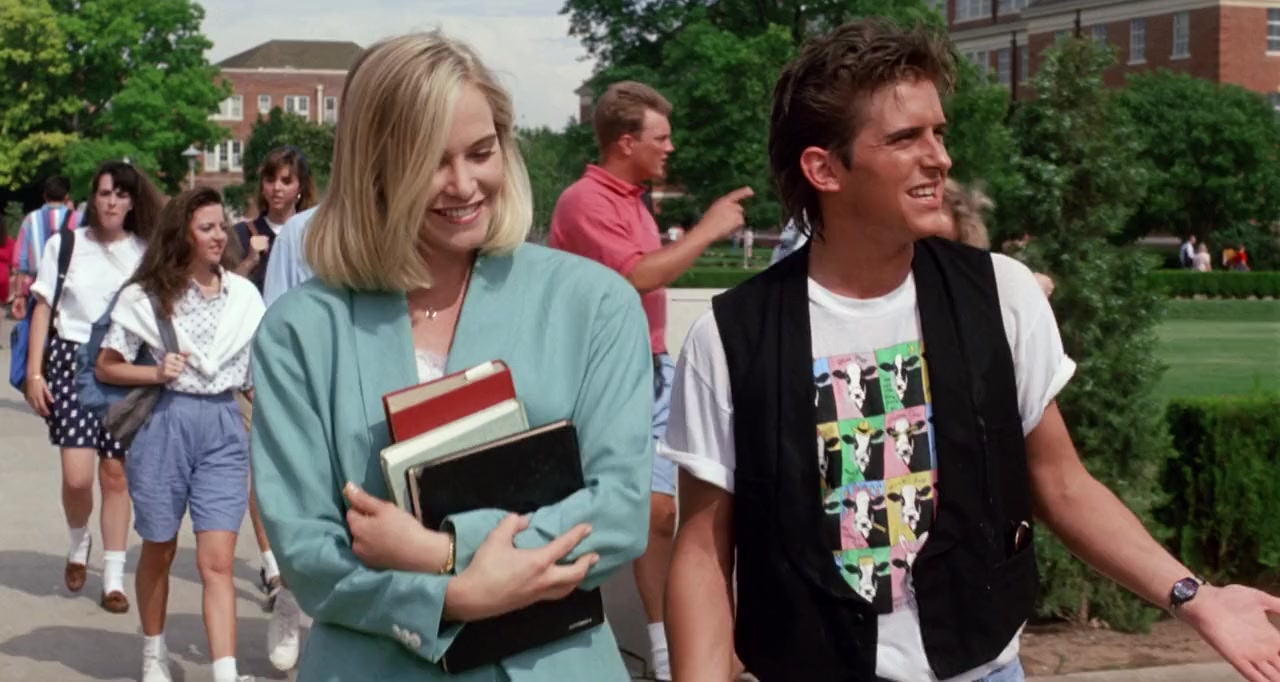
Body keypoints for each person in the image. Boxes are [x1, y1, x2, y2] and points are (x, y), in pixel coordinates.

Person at [662, 19, 1280, 682]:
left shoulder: (1000, 295)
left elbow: (1062, 484)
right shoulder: (732, 336)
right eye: (906, 138)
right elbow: (702, 552)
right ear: (824, 168)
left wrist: (1195, 597)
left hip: (982, 668)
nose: (940, 158)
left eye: (939, 133)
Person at [249, 32, 654, 681]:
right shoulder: (299, 331)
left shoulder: (594, 304)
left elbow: (620, 511)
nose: (464, 184)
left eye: (481, 152)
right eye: (431, 162)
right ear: (375, 168)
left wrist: (443, 552)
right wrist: (454, 598)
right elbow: (306, 552)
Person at [546, 80, 751, 681]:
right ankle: (662, 655)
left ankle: (681, 654)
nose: (671, 147)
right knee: (649, 512)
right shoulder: (584, 201)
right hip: (608, 377)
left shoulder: (634, 201)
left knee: (667, 512)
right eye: (661, 137)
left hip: (653, 368)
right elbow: (636, 276)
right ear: (626, 141)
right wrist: (709, 228)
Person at [96, 186, 264, 682]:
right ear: (181, 234)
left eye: (221, 226)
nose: (219, 236)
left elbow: (256, 374)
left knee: (218, 561)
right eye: (206, 227)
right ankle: (154, 653)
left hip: (224, 426)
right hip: (164, 425)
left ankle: (226, 673)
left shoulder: (243, 297)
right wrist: (154, 371)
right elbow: (107, 366)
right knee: (160, 546)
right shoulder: (147, 297)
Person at [24, 161, 160, 614]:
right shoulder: (66, 245)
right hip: (70, 361)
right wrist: (35, 374)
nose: (112, 203)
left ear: (132, 202)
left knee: (115, 473)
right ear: (91, 198)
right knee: (77, 476)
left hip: (123, 363)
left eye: (122, 194)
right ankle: (78, 538)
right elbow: (43, 309)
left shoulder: (144, 251)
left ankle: (114, 578)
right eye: (105, 193)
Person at [227, 144, 319, 672]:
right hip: (262, 366)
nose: (277, 188)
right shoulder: (253, 234)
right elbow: (248, 299)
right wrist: (251, 258)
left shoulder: (351, 224)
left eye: (287, 180)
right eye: (271, 179)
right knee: (272, 477)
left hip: (342, 378)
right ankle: (280, 576)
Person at [11, 176, 78, 320]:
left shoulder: (31, 219)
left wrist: (19, 295)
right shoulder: (78, 219)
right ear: (66, 196)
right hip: (70, 290)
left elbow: (21, 261)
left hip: (37, 290)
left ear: (45, 195)